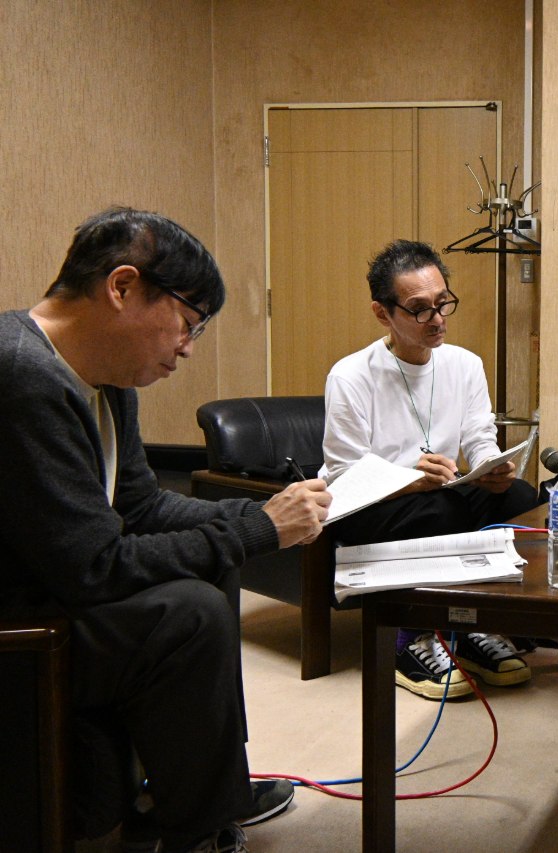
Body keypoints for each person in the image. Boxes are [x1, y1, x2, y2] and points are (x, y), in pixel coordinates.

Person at [0, 208, 332, 853]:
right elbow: (95, 567)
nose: (187, 346)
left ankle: (208, 786)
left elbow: (142, 506)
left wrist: (260, 519)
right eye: (188, 322)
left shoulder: (106, 381)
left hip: (59, 582)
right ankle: (199, 829)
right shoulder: (21, 376)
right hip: (21, 609)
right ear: (122, 287)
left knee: (213, 566)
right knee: (189, 614)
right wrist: (260, 530)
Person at [322, 239, 539, 701]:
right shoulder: (351, 376)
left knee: (520, 498)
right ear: (383, 313)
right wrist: (407, 481)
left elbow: (479, 436)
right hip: (367, 507)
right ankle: (412, 640)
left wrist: (491, 467)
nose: (437, 319)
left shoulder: (464, 365)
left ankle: (477, 626)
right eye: (420, 309)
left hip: (436, 493)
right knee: (442, 512)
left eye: (443, 303)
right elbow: (343, 477)